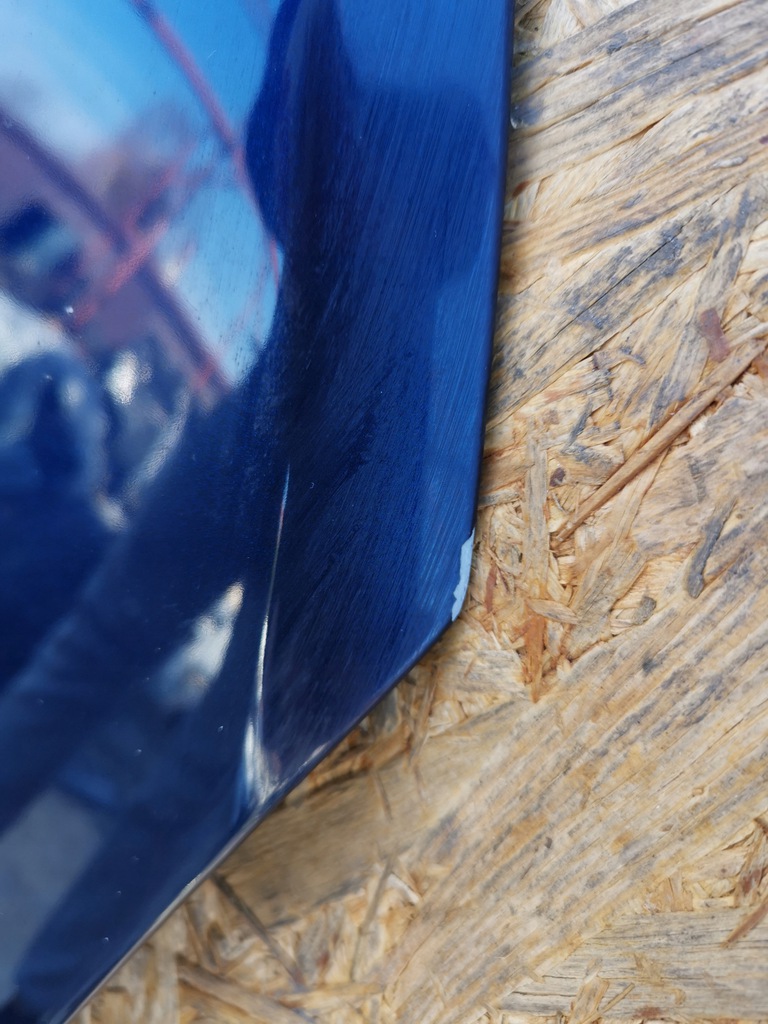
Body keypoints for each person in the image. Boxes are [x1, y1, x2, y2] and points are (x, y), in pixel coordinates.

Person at [0, 1, 493, 1019]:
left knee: (198, 749)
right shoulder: (417, 138)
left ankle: (44, 999)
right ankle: (45, 999)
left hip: (351, 413)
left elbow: (283, 154)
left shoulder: (422, 131)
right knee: (191, 745)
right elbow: (286, 152)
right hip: (321, 388)